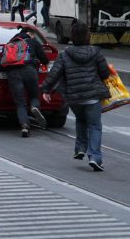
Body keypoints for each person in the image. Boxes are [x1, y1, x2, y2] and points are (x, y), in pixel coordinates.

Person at [42, 23, 111, 172]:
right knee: (94, 126)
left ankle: (80, 148)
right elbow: (105, 74)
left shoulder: (65, 54)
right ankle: (95, 157)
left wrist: (46, 90)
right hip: (92, 96)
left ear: (72, 36)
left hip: (74, 97)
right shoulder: (96, 52)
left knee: (80, 119)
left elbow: (55, 73)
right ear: (88, 35)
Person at [1, 26, 49, 137]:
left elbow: (1, 62)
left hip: (13, 74)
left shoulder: (10, 44)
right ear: (29, 33)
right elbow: (44, 59)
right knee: (34, 96)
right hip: (30, 71)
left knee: (20, 103)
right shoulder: (32, 41)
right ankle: (34, 107)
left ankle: (24, 127)